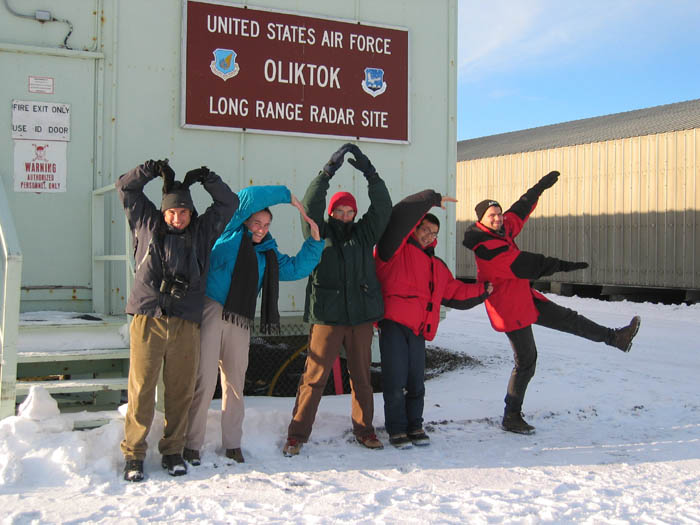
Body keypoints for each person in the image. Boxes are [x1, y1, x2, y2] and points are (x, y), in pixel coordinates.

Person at [462, 170, 641, 434]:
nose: (498, 218)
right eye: (492, 215)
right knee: (526, 361)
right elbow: (528, 264)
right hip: (509, 309)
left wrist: (539, 187)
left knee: (569, 319)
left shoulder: (501, 230)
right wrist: (564, 266)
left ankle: (616, 338)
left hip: (524, 298)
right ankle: (511, 416)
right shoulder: (487, 248)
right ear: (481, 221)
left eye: (498, 213)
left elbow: (519, 210)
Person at [183, 185, 324, 465]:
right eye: (257, 222)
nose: (261, 229)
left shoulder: (268, 254)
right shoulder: (228, 233)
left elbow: (297, 268)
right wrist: (287, 195)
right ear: (246, 220)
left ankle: (232, 443)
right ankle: (191, 444)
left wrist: (315, 243)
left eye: (267, 225)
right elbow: (247, 198)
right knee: (205, 379)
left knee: (235, 383)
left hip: (240, 319)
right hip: (211, 310)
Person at [117, 159, 238, 482]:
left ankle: (173, 451)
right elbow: (125, 187)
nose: (178, 217)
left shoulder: (202, 231)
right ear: (163, 210)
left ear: (191, 213)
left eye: (183, 211)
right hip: (149, 317)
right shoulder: (146, 222)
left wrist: (207, 177)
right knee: (142, 389)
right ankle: (134, 454)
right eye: (172, 211)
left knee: (181, 389)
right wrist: (150, 170)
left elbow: (229, 203)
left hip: (185, 320)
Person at [283, 143, 392, 456]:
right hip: (327, 317)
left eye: (349, 211)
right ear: (331, 212)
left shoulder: (364, 234)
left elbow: (383, 207)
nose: (345, 215)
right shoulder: (318, 231)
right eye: (340, 211)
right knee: (313, 378)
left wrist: (371, 174)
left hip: (359, 318)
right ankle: (297, 434)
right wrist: (326, 172)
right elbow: (309, 203)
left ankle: (365, 430)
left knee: (362, 378)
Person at [374, 190, 492, 449]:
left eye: (433, 233)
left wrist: (484, 290)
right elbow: (399, 219)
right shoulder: (393, 251)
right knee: (395, 382)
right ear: (415, 228)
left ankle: (415, 426)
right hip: (393, 325)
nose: (428, 236)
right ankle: (396, 430)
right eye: (424, 229)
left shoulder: (436, 266)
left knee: (417, 382)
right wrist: (431, 198)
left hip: (418, 330)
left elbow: (455, 292)